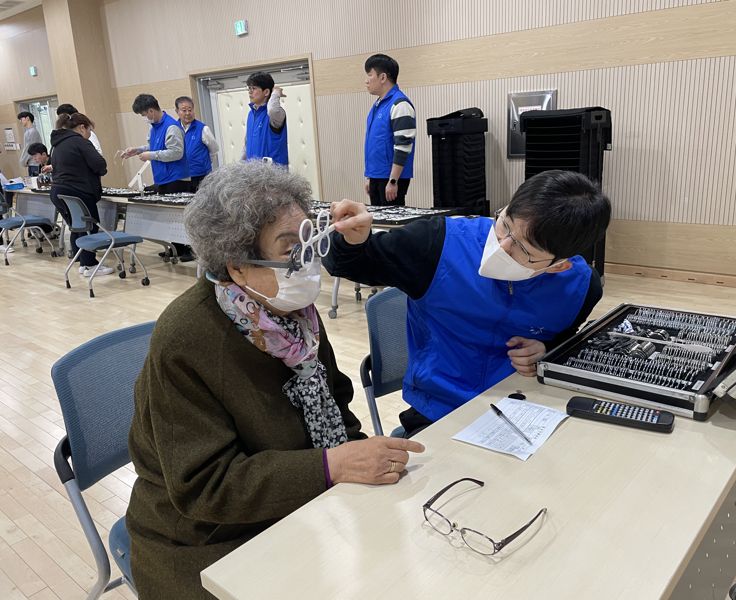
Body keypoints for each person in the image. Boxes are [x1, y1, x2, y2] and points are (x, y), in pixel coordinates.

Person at [127, 161, 424, 599]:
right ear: (237, 267)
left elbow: (335, 401)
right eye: (290, 249)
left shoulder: (291, 315)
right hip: (205, 537)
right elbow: (205, 487)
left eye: (309, 240)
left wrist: (354, 460)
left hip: (294, 499)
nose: (308, 264)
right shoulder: (187, 339)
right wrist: (332, 465)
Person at [324, 170, 612, 436]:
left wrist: (546, 350)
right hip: (438, 412)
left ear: (558, 266)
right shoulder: (438, 243)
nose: (502, 246)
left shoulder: (581, 287)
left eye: (522, 249)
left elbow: (567, 341)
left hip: (525, 409)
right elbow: (348, 264)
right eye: (505, 223)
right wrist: (352, 239)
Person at [121, 94, 192, 261]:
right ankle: (176, 249)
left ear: (151, 111)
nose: (145, 118)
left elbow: (176, 152)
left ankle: (189, 250)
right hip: (163, 178)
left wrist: (151, 155)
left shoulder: (171, 127)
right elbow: (154, 146)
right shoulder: (154, 127)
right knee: (170, 218)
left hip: (177, 179)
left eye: (145, 115)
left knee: (181, 218)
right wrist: (138, 150)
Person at [49, 113, 113, 276]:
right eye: (90, 130)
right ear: (82, 127)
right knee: (89, 226)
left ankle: (84, 263)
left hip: (59, 192)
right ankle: (90, 265)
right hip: (78, 191)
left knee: (79, 227)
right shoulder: (80, 142)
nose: (90, 134)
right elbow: (99, 164)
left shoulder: (57, 144)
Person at [363, 54, 416, 206]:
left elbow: (403, 146)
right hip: (377, 176)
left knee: (391, 226)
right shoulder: (378, 105)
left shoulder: (400, 105)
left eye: (370, 75)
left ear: (383, 77)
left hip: (390, 179)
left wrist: (393, 180)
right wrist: (370, 177)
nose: (366, 80)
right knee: (378, 225)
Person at [242, 71, 288, 166]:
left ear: (266, 92)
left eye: (254, 88)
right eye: (249, 88)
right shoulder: (251, 114)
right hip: (253, 173)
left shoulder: (276, 114)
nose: (250, 92)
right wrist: (241, 165)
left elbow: (272, 109)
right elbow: (247, 145)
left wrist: (275, 93)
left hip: (273, 175)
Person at [175, 96, 219, 191]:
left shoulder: (203, 129)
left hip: (201, 175)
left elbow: (214, 150)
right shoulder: (173, 129)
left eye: (190, 110)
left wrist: (203, 163)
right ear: (177, 111)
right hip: (180, 176)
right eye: (184, 110)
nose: (188, 113)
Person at [17, 111, 43, 177]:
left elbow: (29, 149)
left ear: (27, 118)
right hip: (31, 163)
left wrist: (23, 161)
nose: (20, 121)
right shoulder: (28, 132)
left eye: (21, 119)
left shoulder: (32, 132)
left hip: (35, 163)